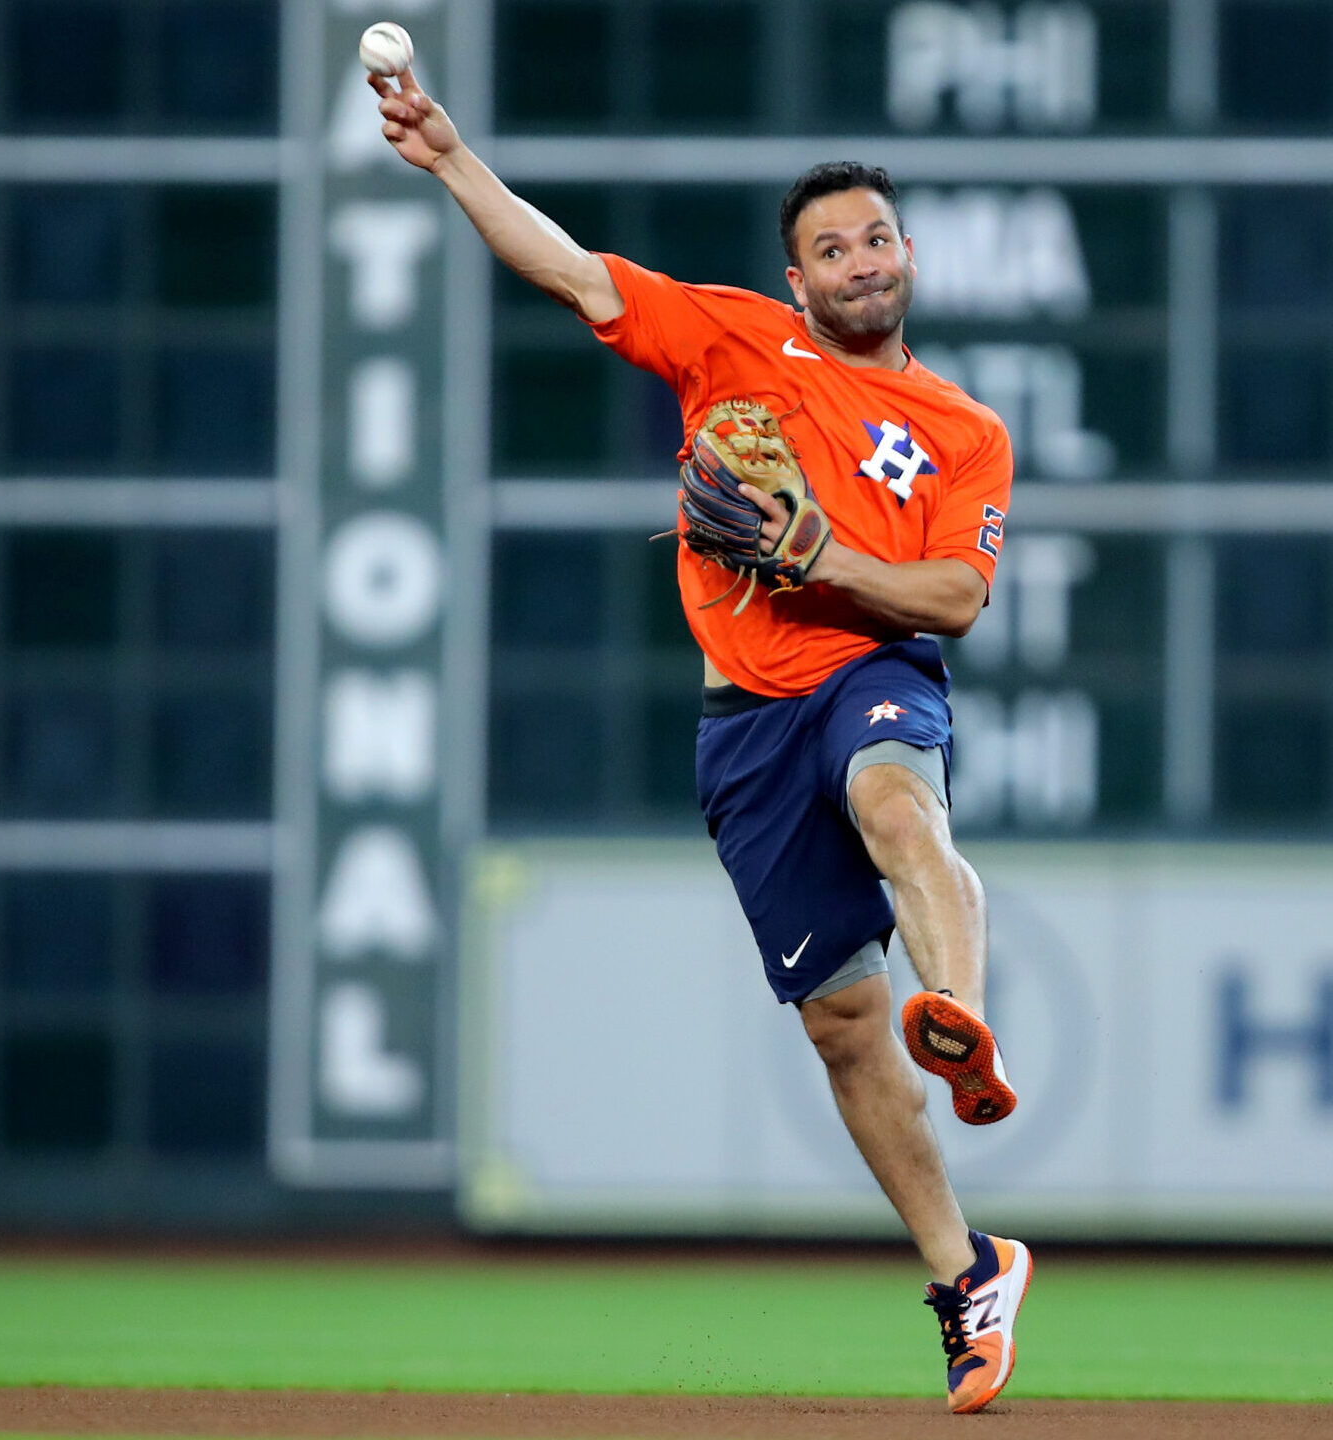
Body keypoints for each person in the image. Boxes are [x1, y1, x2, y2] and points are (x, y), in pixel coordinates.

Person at [371, 67, 1032, 1414]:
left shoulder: (966, 431)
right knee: (843, 1028)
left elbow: (956, 601)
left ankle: (961, 1018)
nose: (860, 261)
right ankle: (970, 1274)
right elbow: (572, 272)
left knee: (897, 803)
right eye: (832, 248)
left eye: (877, 238)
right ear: (798, 282)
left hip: (872, 671)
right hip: (747, 724)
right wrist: (448, 159)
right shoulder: (732, 341)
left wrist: (823, 557)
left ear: (909, 256)